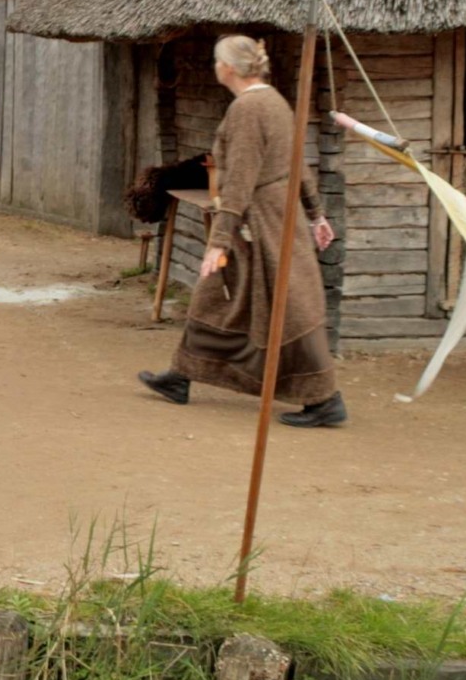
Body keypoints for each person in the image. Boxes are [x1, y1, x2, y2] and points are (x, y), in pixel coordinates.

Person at [138, 36, 346, 427]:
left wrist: (218, 240)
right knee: (215, 295)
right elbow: (297, 163)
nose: (215, 67)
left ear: (228, 68)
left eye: (217, 61)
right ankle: (181, 376)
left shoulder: (249, 109)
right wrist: (315, 213)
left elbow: (241, 179)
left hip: (263, 222)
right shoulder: (275, 102)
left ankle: (324, 398)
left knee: (291, 305)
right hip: (273, 214)